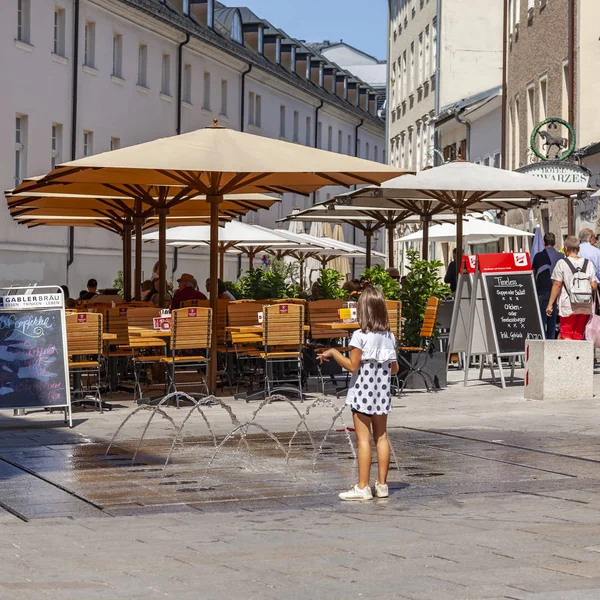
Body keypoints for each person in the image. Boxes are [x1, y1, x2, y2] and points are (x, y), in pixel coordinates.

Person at [318, 286, 398, 501]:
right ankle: (382, 485)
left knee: (363, 441)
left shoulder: (359, 336)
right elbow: (395, 368)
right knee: (381, 436)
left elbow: (353, 366)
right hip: (382, 392)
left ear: (363, 310)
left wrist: (334, 352)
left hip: (363, 392)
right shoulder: (389, 336)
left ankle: (362, 487)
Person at [547, 236, 597, 340]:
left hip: (568, 305)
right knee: (578, 335)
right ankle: (577, 355)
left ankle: (568, 356)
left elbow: (557, 284)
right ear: (578, 249)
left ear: (565, 248)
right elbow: (594, 285)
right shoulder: (588, 264)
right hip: (585, 305)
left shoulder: (562, 263)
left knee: (566, 334)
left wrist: (550, 304)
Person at [532, 232, 562, 339]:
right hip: (557, 293)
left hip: (542, 291)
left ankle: (543, 343)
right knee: (553, 322)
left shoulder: (538, 256)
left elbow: (533, 273)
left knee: (542, 320)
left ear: (544, 243)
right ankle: (551, 343)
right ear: (555, 243)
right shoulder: (561, 256)